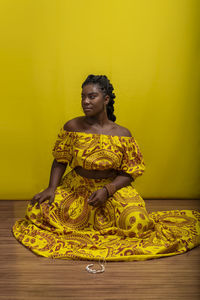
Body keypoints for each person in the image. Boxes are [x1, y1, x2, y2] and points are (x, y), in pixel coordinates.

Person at [12, 74, 200, 261]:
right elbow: (60, 160)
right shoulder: (72, 127)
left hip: (111, 190)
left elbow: (130, 172)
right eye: (82, 97)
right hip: (76, 189)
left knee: (139, 223)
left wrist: (107, 190)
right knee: (37, 210)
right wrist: (52, 188)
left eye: (91, 96)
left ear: (106, 99)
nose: (85, 101)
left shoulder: (123, 134)